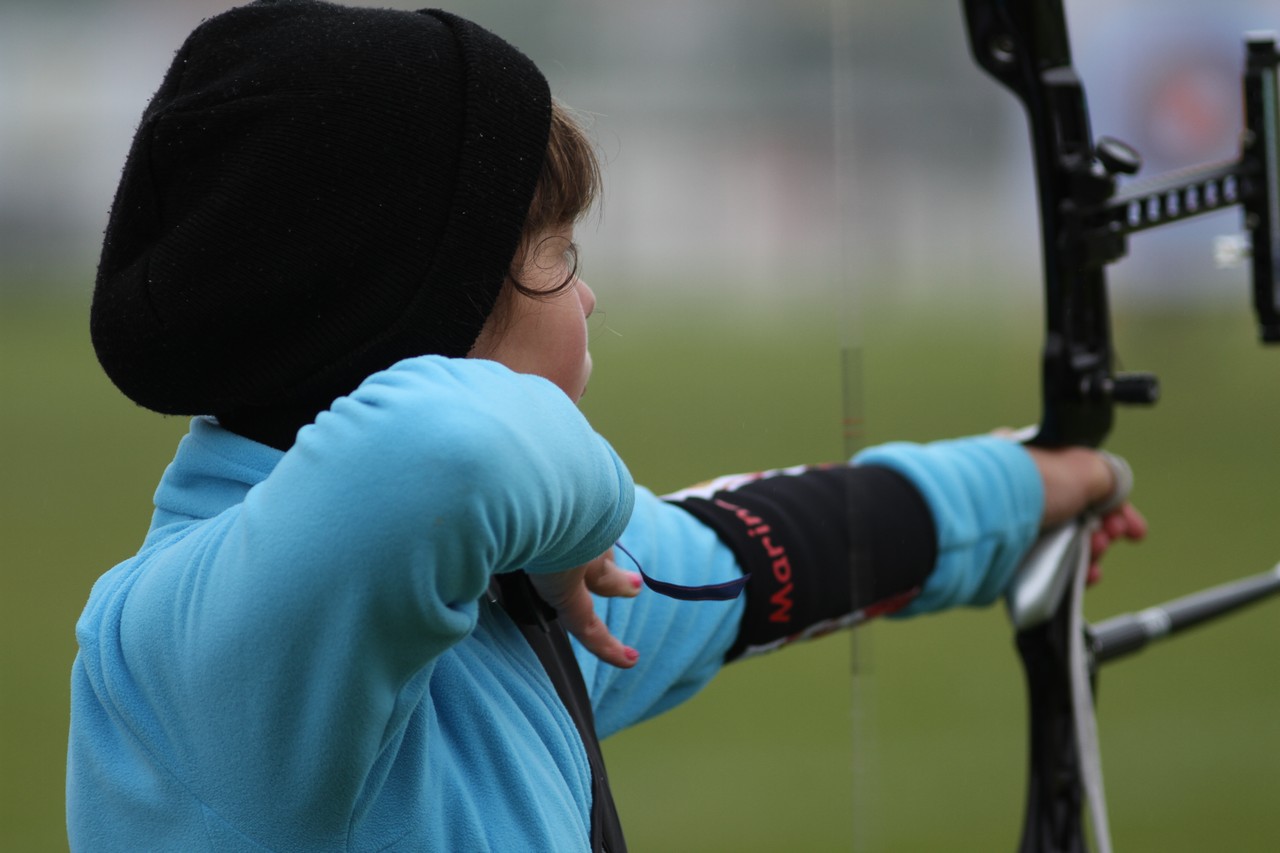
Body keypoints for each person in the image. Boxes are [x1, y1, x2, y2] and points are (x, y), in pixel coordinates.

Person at [66, 1, 1147, 850]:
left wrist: (1026, 488)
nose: (585, 299)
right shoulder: (191, 651)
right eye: (554, 254)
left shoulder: (500, 590)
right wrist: (578, 509)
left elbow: (749, 555)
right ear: (419, 313)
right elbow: (445, 454)